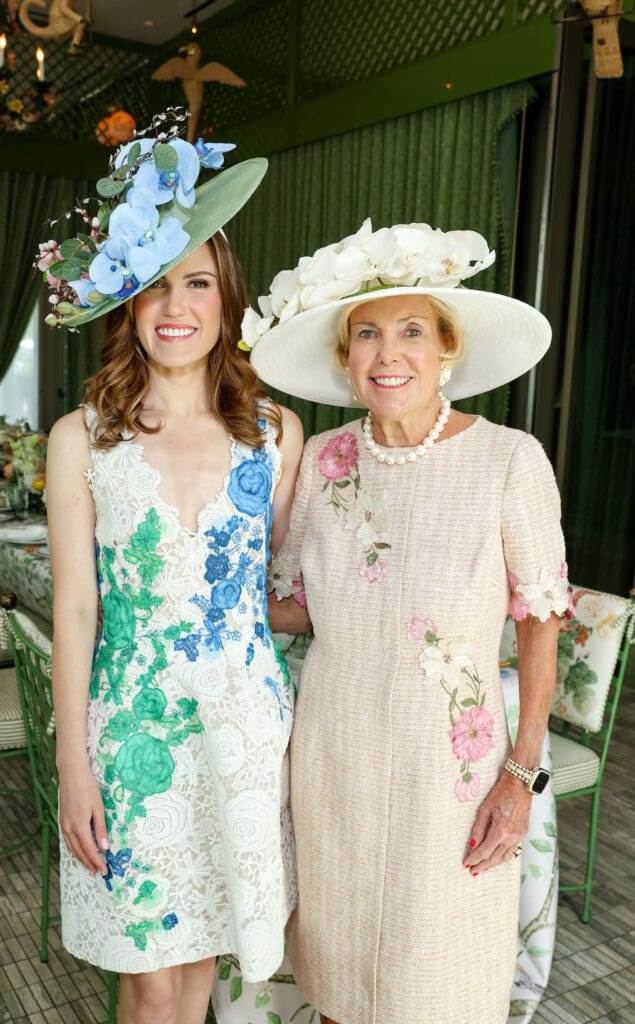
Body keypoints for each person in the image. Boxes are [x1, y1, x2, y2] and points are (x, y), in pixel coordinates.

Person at [242, 220, 569, 1024]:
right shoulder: (319, 459)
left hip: (450, 772)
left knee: (439, 983)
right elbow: (297, 606)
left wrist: (522, 775)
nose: (389, 354)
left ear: (445, 348)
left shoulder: (509, 459)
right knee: (341, 979)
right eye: (367, 335)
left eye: (412, 331)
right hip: (333, 755)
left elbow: (540, 623)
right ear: (344, 359)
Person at [40, 111, 303, 1024]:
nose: (176, 306)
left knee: (204, 959)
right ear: (125, 302)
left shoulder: (275, 434)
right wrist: (72, 759)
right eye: (154, 286)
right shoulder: (83, 439)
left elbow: (272, 592)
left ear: (226, 299)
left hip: (243, 724)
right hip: (131, 731)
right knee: (149, 970)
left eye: (197, 282)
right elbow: (75, 609)